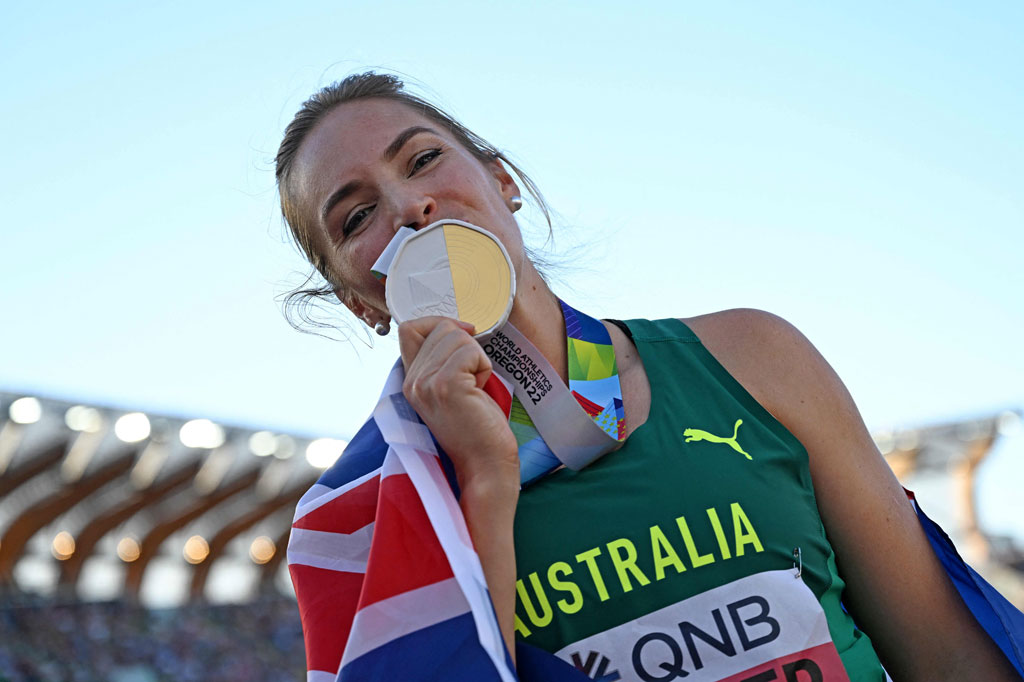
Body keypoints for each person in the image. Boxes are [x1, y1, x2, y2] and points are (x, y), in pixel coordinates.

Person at [275, 72, 1021, 681]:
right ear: (356, 298)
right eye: (356, 216)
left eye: (423, 159)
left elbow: (948, 656)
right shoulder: (370, 515)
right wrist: (485, 480)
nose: (409, 207)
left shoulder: (752, 357)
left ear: (503, 181)